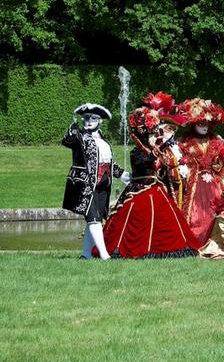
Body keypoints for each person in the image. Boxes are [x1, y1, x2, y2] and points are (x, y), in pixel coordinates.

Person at [102, 106, 201, 258]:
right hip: (140, 187)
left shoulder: (153, 148)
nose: (153, 132)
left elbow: (161, 164)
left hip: (154, 187)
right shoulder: (137, 151)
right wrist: (156, 153)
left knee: (165, 219)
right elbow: (142, 164)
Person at [62, 103, 127, 260]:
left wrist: (123, 174)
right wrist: (72, 131)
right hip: (85, 184)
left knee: (95, 218)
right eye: (85, 118)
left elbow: (108, 164)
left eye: (93, 118)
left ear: (100, 121)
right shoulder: (81, 138)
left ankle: (86, 254)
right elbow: (68, 141)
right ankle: (105, 256)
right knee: (93, 218)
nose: (88, 121)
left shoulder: (104, 141)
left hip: (103, 185)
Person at [177, 98, 224, 244]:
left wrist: (218, 163)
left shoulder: (216, 141)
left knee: (217, 207)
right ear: (194, 124)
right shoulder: (185, 142)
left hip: (213, 182)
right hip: (195, 182)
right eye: (201, 124)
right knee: (196, 212)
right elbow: (181, 162)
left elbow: (219, 164)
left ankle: (219, 236)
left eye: (206, 124)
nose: (204, 127)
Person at [142, 91, 188, 205]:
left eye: (173, 129)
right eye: (169, 128)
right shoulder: (155, 145)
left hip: (178, 185)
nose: (172, 132)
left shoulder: (176, 145)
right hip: (163, 185)